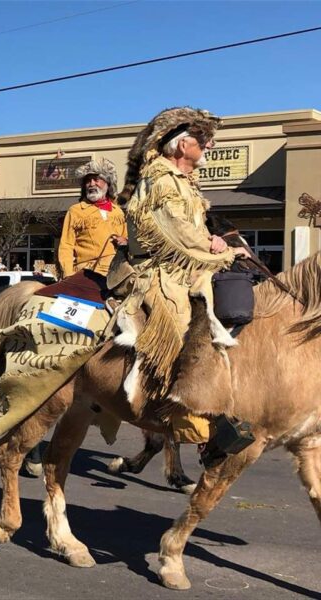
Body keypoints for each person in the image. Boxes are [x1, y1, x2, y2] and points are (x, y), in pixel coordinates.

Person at [114, 106, 251, 465]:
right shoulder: (160, 181)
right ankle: (184, 419)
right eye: (202, 139)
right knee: (180, 335)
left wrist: (216, 242)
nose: (209, 144)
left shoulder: (185, 183)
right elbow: (174, 236)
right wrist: (218, 252)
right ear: (180, 145)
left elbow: (195, 232)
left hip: (187, 269)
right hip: (158, 272)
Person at [57, 157, 127, 278]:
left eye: (96, 180)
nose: (91, 184)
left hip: (116, 271)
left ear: (107, 183)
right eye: (88, 181)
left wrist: (125, 241)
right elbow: (66, 246)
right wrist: (68, 274)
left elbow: (127, 238)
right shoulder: (76, 210)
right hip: (87, 273)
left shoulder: (118, 212)